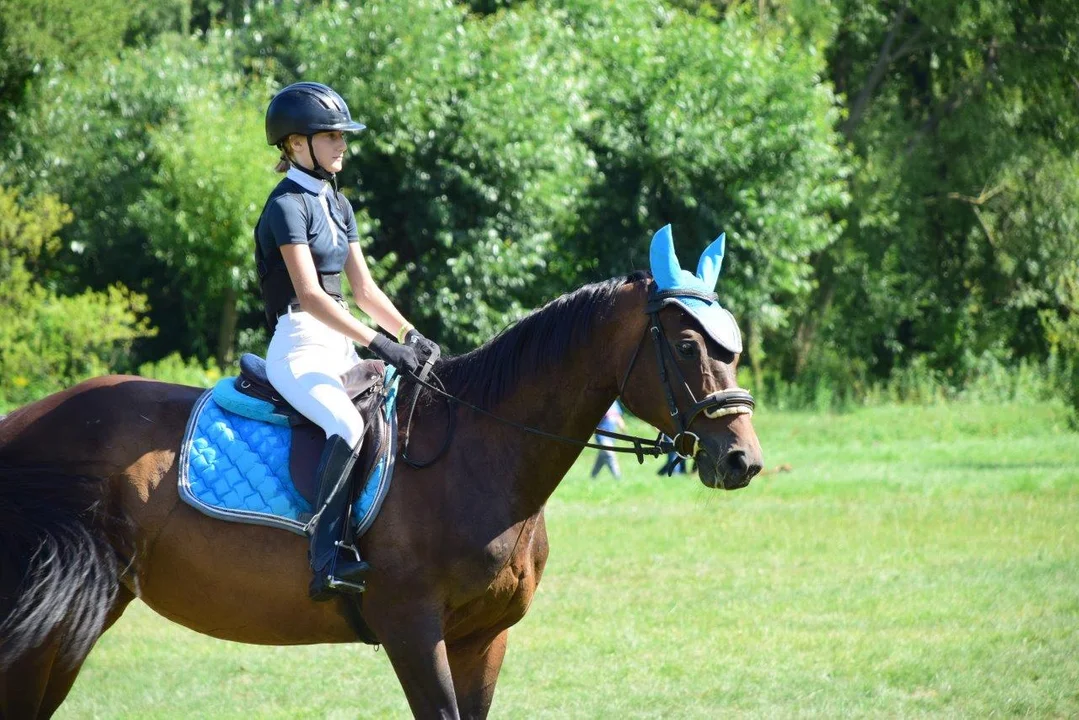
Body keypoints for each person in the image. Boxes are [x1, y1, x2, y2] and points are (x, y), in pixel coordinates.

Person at [255, 82, 439, 600]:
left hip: (340, 341)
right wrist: (380, 345)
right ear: (295, 144)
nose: (342, 146)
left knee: (395, 418)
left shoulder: (337, 203)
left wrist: (408, 334)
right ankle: (326, 557)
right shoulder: (286, 206)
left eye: (343, 136)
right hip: (299, 344)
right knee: (345, 422)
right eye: (330, 136)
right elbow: (312, 296)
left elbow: (363, 289)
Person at [590, 401, 626, 479]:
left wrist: (624, 431)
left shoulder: (615, 404)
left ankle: (593, 476)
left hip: (611, 436)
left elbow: (618, 417)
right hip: (601, 435)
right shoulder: (602, 402)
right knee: (610, 454)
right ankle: (618, 477)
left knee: (602, 456)